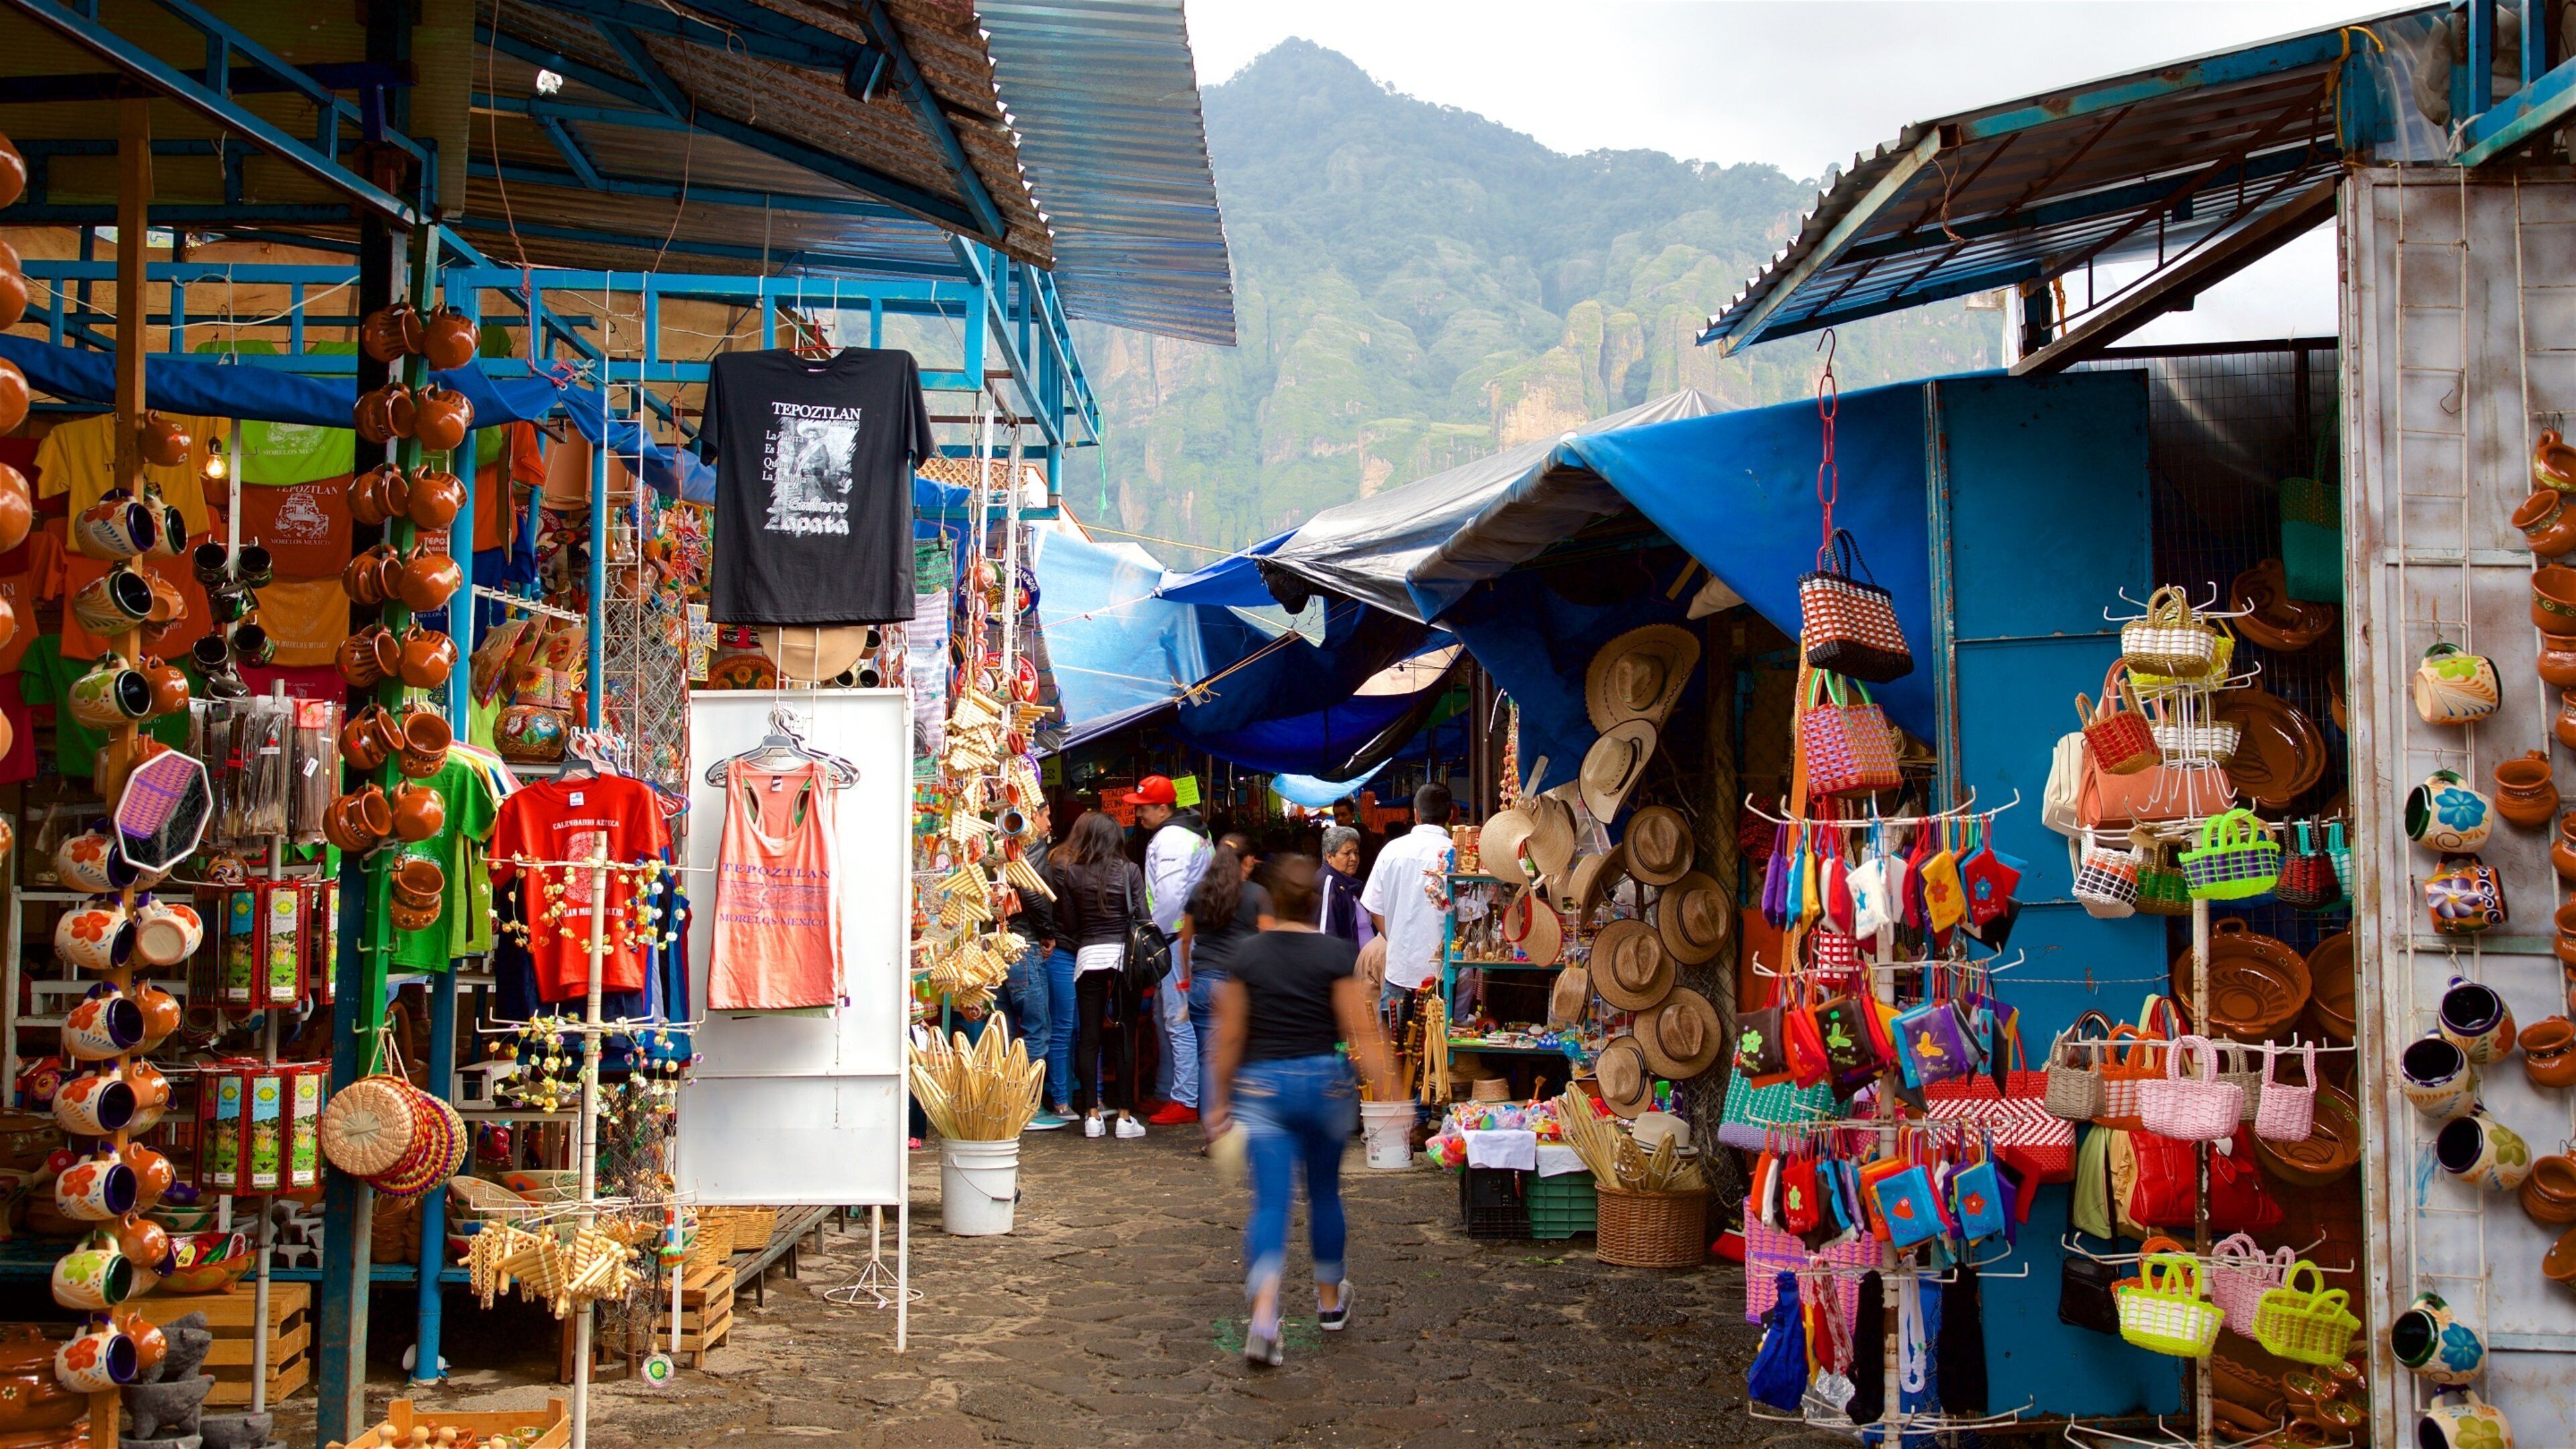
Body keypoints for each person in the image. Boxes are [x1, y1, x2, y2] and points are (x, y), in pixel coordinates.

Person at [1206, 854, 1399, 1368]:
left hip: (1263, 1089)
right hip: (1324, 1085)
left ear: (1268, 902)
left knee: (1270, 1204)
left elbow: (1230, 1035)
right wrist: (1388, 1090)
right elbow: (1361, 1031)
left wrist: (1219, 1100)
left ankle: (1266, 1319)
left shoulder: (1248, 956)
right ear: (1316, 902)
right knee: (1324, 1194)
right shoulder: (1335, 954)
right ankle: (1330, 1303)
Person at [1046, 810, 1150, 1139]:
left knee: (1088, 1036)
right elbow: (1143, 916)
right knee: (1123, 1034)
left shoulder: (1074, 873)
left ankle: (1091, 1115)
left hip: (1088, 955)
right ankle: (1123, 1117)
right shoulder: (1131, 870)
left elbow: (1070, 922)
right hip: (1124, 957)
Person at [1128, 775, 1213, 1126]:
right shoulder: (1193, 833)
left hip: (1176, 939)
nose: (1139, 815)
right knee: (1171, 1018)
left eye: (1144, 808)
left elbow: (1169, 895)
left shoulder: (1171, 839)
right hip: (1185, 936)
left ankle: (1184, 1098)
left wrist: (1155, 936)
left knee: (1178, 1019)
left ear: (1163, 809)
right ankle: (1169, 1091)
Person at [1182, 834, 1273, 1111]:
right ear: (1246, 860)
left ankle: (1214, 1135)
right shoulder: (1257, 894)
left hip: (1203, 984)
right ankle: (1239, 1127)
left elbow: (1186, 940)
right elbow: (1269, 943)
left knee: (1209, 1060)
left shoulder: (1199, 892)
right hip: (1238, 986)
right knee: (1242, 1057)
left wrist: (1189, 978)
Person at [1358, 783, 1456, 1010]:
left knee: (1395, 1042)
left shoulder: (1391, 851)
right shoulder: (1457, 854)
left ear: (1416, 814)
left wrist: (1396, 939)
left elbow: (1374, 909)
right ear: (1451, 814)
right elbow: (1470, 918)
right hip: (1443, 973)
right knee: (1437, 1044)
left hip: (1399, 968)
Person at [1006, 802, 1072, 1130]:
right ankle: (1027, 1107)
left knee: (1004, 1032)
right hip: (1024, 944)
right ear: (1033, 815)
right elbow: (1033, 893)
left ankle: (1005, 1106)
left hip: (1000, 946)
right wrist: (1047, 933)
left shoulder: (1002, 840)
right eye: (1047, 815)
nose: (1050, 822)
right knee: (1037, 1028)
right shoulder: (1032, 844)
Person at [1316, 824, 1376, 949]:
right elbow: (1327, 933)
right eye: (1347, 853)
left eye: (1356, 852)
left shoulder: (1346, 884)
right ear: (1329, 857)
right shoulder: (1330, 884)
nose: (1353, 858)